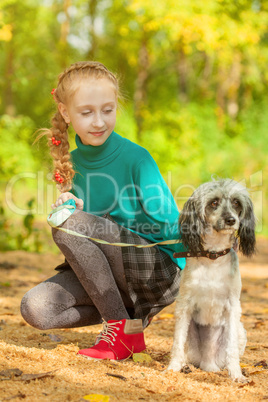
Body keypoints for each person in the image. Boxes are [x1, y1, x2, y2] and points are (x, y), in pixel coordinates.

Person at [20, 61, 186, 361]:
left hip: (154, 271)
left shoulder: (137, 159)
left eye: (108, 110)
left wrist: (203, 252)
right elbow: (84, 243)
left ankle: (120, 331)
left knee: (70, 225)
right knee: (37, 309)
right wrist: (71, 208)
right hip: (115, 279)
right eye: (87, 112)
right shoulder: (71, 163)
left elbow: (170, 223)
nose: (99, 122)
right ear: (66, 113)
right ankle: (127, 323)